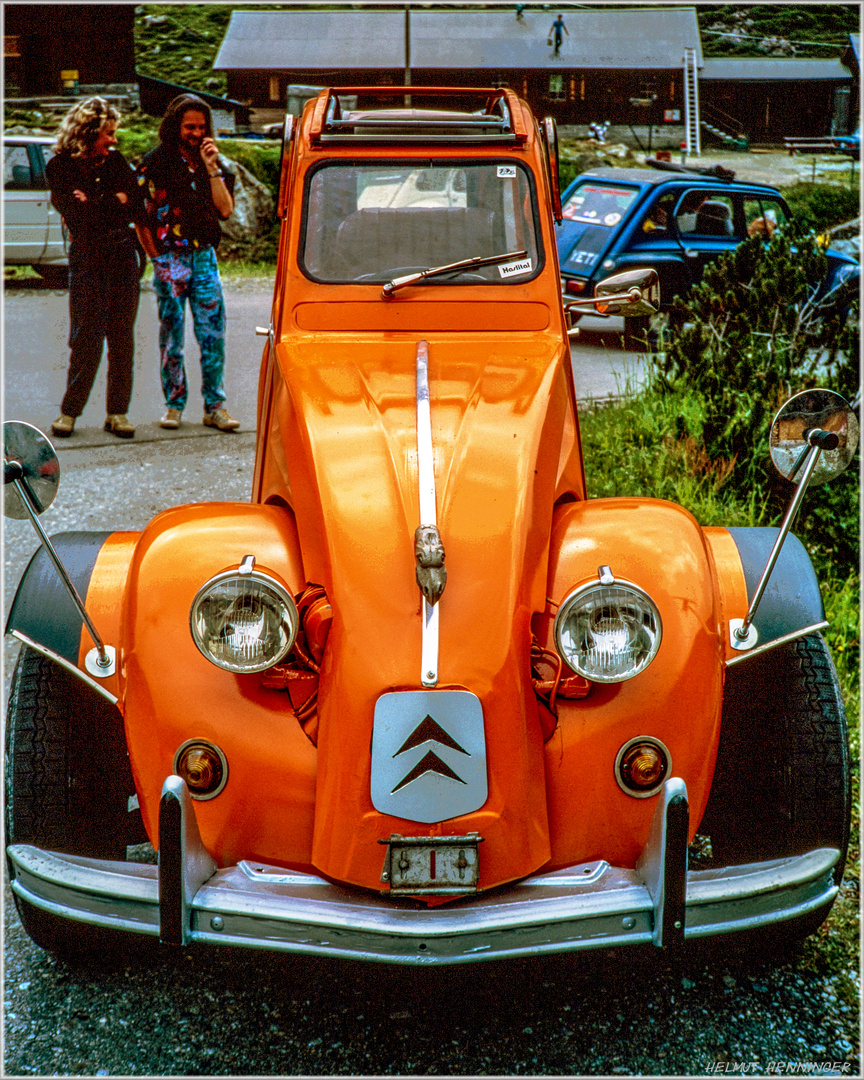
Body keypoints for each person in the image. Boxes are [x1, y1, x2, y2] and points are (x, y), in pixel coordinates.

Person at [137, 93, 239, 431]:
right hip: (171, 257)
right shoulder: (155, 162)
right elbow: (142, 218)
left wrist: (211, 168)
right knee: (173, 336)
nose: (195, 133)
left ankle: (215, 407)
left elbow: (225, 210)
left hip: (204, 257)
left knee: (213, 334)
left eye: (201, 126)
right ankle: (174, 404)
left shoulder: (216, 164)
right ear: (175, 126)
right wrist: (157, 260)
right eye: (189, 126)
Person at [46, 97, 147, 439]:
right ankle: (69, 412)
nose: (114, 141)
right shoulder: (59, 167)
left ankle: (117, 412)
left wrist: (97, 202)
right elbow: (77, 217)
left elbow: (135, 203)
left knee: (121, 338)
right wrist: (113, 201)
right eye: (109, 134)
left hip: (122, 256)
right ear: (88, 134)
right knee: (86, 337)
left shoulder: (116, 162)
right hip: (88, 258)